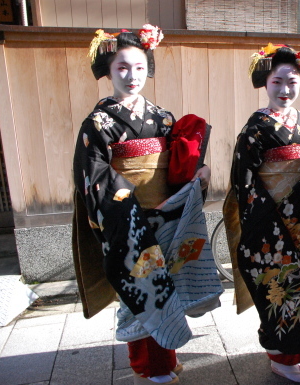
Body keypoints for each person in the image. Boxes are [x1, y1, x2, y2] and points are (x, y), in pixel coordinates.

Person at [72, 26, 223, 385]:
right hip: (128, 220)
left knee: (165, 285)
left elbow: (176, 167)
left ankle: (167, 358)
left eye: (139, 67)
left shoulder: (163, 118)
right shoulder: (97, 123)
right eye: (122, 67)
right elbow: (93, 176)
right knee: (140, 289)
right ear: (108, 70)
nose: (132, 75)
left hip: (166, 216)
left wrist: (197, 175)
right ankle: (147, 366)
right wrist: (131, 209)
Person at [223, 43, 300, 383]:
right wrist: (267, 221)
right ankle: (281, 359)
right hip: (270, 225)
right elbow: (244, 179)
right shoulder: (256, 128)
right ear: (265, 83)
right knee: (277, 290)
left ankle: (293, 355)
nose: (285, 89)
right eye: (277, 81)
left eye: (292, 81)